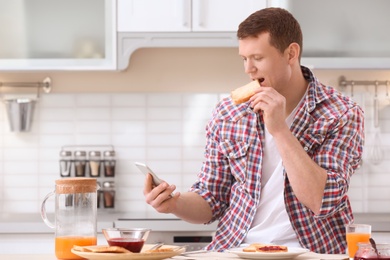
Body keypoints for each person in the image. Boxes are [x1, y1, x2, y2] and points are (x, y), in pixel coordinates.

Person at [143, 7, 364, 254]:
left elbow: (322, 201)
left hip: (313, 252)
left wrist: (280, 130)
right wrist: (174, 203)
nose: (249, 69)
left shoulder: (341, 113)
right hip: (237, 250)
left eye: (258, 58)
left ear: (291, 53)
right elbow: (211, 199)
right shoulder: (229, 113)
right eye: (244, 59)